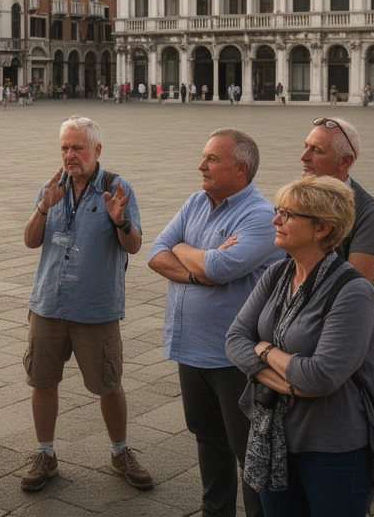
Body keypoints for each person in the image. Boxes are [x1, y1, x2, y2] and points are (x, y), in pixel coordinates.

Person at [225, 176, 374, 515]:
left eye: (288, 214)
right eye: (278, 211)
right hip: (272, 436)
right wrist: (292, 384)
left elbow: (321, 376)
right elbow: (235, 340)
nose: (275, 220)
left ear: (322, 228)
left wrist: (264, 351)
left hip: (332, 447)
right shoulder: (278, 274)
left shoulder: (353, 291)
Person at [148, 129, 286, 517]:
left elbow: (221, 267)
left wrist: (186, 249)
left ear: (240, 169)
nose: (201, 165)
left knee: (248, 450)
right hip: (191, 350)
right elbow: (157, 253)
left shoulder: (260, 216)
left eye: (211, 159)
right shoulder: (196, 201)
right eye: (204, 156)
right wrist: (197, 266)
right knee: (208, 439)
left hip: (233, 358)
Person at [20, 117, 152, 492]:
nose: (69, 155)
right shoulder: (52, 187)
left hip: (96, 307)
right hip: (48, 302)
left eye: (77, 148)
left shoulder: (116, 187)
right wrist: (43, 208)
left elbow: (134, 245)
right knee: (42, 381)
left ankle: (120, 451)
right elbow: (31, 241)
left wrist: (121, 220)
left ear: (97, 150)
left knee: (108, 383)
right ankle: (45, 454)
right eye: (64, 147)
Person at [300, 117, 374, 284]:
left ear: (345, 161)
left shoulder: (367, 212)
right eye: (306, 147)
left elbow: (356, 287)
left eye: (317, 150)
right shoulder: (295, 199)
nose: (304, 156)